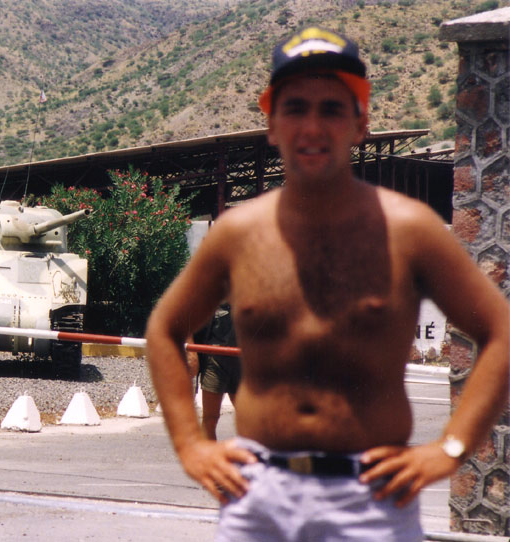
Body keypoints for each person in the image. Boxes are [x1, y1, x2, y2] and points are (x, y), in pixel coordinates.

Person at [145, 27, 509, 542]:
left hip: (369, 502)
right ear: (272, 124)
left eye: (332, 109)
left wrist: (450, 449)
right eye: (295, 108)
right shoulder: (238, 234)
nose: (312, 127)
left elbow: (499, 331)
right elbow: (164, 329)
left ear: (360, 123)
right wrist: (190, 444)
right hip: (258, 498)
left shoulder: (409, 230)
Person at [196, 304, 239, 441]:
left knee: (250, 418)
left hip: (245, 361)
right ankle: (207, 454)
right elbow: (189, 313)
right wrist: (192, 354)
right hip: (214, 361)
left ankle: (251, 454)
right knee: (210, 418)